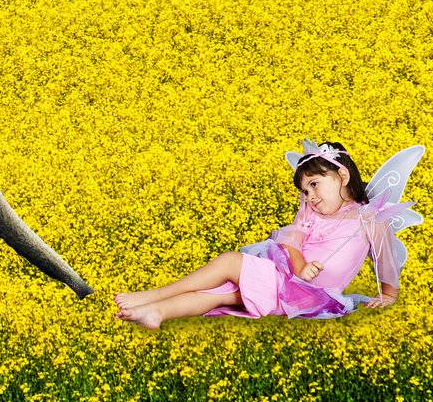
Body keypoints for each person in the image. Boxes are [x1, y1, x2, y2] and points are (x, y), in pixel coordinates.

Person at [113, 139, 417, 329]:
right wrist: (299, 266)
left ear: (343, 176)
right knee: (226, 294)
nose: (309, 196)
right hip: (287, 276)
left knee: (230, 262)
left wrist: (388, 297)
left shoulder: (371, 221)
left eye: (314, 185)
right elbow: (293, 240)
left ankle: (153, 297)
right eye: (304, 190)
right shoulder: (311, 211)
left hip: (314, 296)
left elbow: (386, 269)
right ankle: (157, 312)